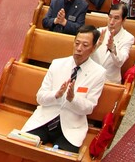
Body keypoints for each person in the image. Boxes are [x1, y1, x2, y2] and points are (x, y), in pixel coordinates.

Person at [21, 25, 107, 153]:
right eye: (77, 43)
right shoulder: (57, 64)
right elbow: (40, 97)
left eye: (85, 45)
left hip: (71, 127)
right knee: (22, 148)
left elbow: (89, 108)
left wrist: (73, 99)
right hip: (45, 119)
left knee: (62, 158)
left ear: (94, 48)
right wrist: (56, 94)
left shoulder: (99, 73)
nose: (79, 48)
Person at [90, 3, 135, 83]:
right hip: (92, 77)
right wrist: (96, 46)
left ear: (124, 19)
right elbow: (86, 55)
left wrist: (113, 48)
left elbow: (120, 62)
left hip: (110, 80)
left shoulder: (128, 38)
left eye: (116, 18)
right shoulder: (98, 32)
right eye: (110, 17)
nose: (111, 22)